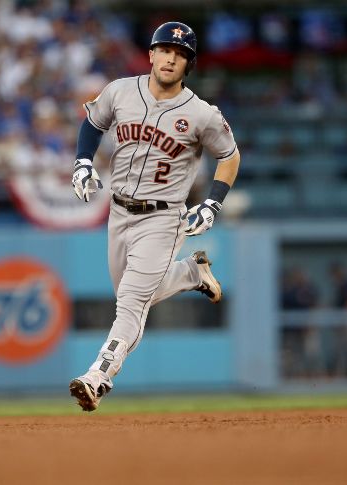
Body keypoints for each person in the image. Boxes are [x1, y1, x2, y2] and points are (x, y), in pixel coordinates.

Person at [68, 21, 241, 411]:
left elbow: (230, 156)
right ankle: (190, 273)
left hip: (163, 218)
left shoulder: (201, 114)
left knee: (130, 302)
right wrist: (82, 161)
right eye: (165, 50)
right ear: (151, 54)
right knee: (128, 293)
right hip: (118, 210)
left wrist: (213, 203)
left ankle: (98, 376)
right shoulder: (120, 91)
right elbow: (93, 124)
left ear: (188, 64)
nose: (171, 58)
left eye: (180, 54)